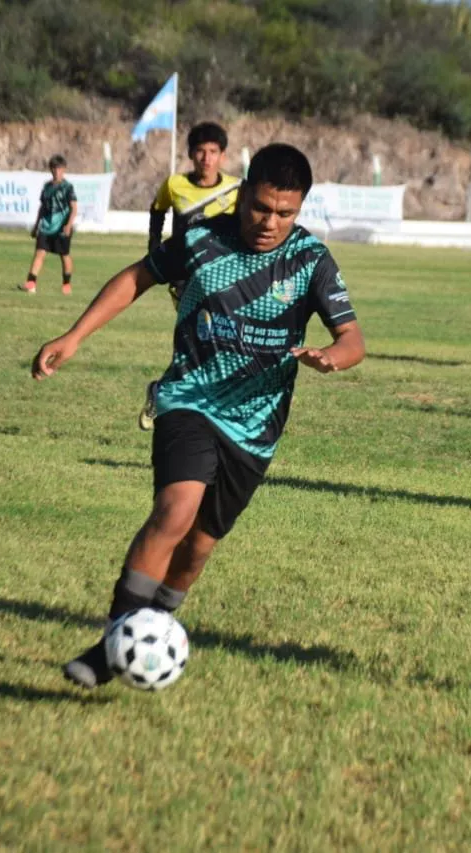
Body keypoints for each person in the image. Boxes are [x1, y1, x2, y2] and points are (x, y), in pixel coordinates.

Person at [31, 143, 366, 689]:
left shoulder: (310, 259)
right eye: (261, 207)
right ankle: (115, 640)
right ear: (243, 192)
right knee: (174, 511)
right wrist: (74, 336)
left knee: (198, 548)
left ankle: (152, 629)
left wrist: (333, 357)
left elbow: (352, 337)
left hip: (255, 423)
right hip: (190, 397)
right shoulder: (201, 237)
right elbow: (135, 279)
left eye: (285, 213)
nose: (270, 222)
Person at [139, 122, 243, 430]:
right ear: (190, 155)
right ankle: (204, 406)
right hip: (185, 279)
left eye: (213, 152)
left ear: (223, 155)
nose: (206, 158)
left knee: (211, 343)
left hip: (223, 278)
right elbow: (157, 211)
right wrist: (155, 251)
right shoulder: (174, 185)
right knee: (202, 340)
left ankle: (164, 391)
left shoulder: (236, 189)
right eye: (200, 151)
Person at [20, 154, 78, 295]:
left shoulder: (67, 187)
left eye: (59, 169)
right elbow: (42, 207)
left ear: (64, 170)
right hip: (46, 226)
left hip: (61, 227)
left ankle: (66, 284)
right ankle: (31, 283)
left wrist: (68, 225)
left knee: (64, 255)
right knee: (39, 253)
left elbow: (74, 207)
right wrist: (36, 225)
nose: (56, 172)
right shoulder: (47, 187)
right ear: (50, 170)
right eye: (54, 169)